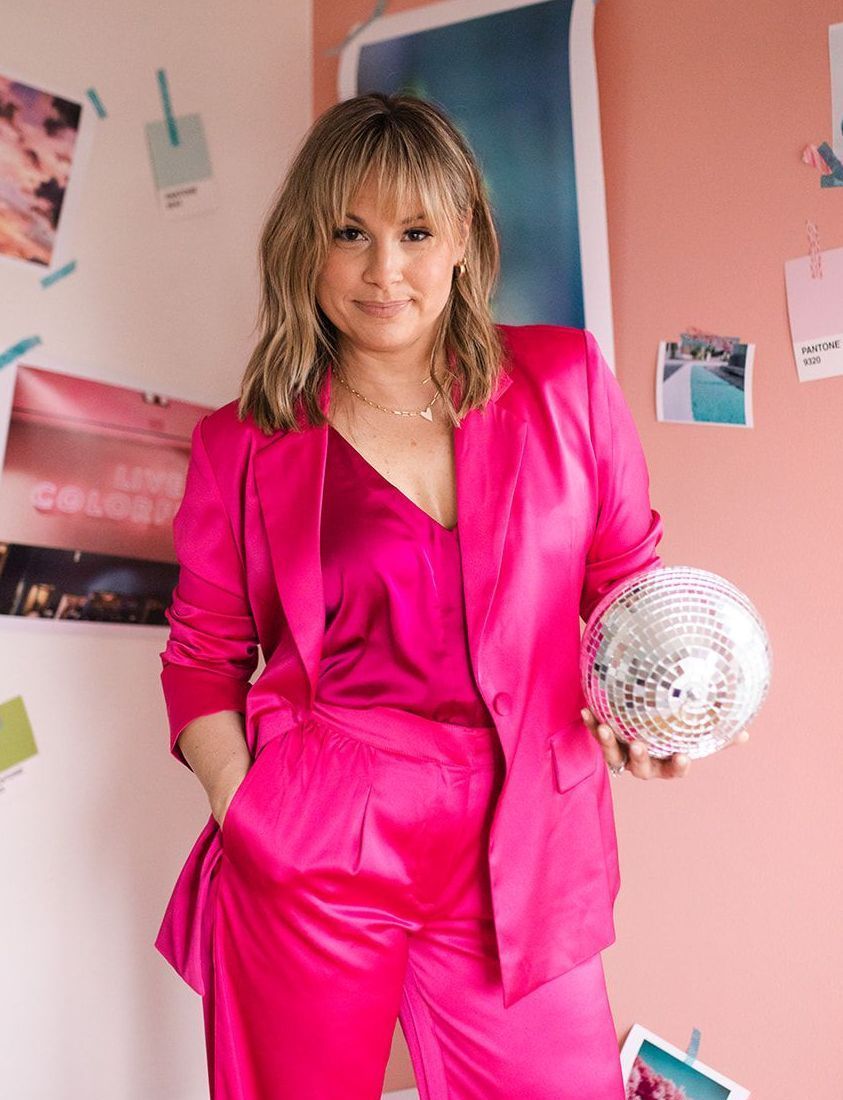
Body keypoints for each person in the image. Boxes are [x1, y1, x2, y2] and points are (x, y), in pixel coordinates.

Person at [154, 92, 747, 1099]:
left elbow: (629, 596)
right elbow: (202, 658)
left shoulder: (565, 384)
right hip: (317, 843)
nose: (385, 271)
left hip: (525, 843)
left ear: (463, 236)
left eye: (416, 232)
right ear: (308, 246)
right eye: (351, 233)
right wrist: (242, 802)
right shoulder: (241, 445)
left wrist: (654, 720)